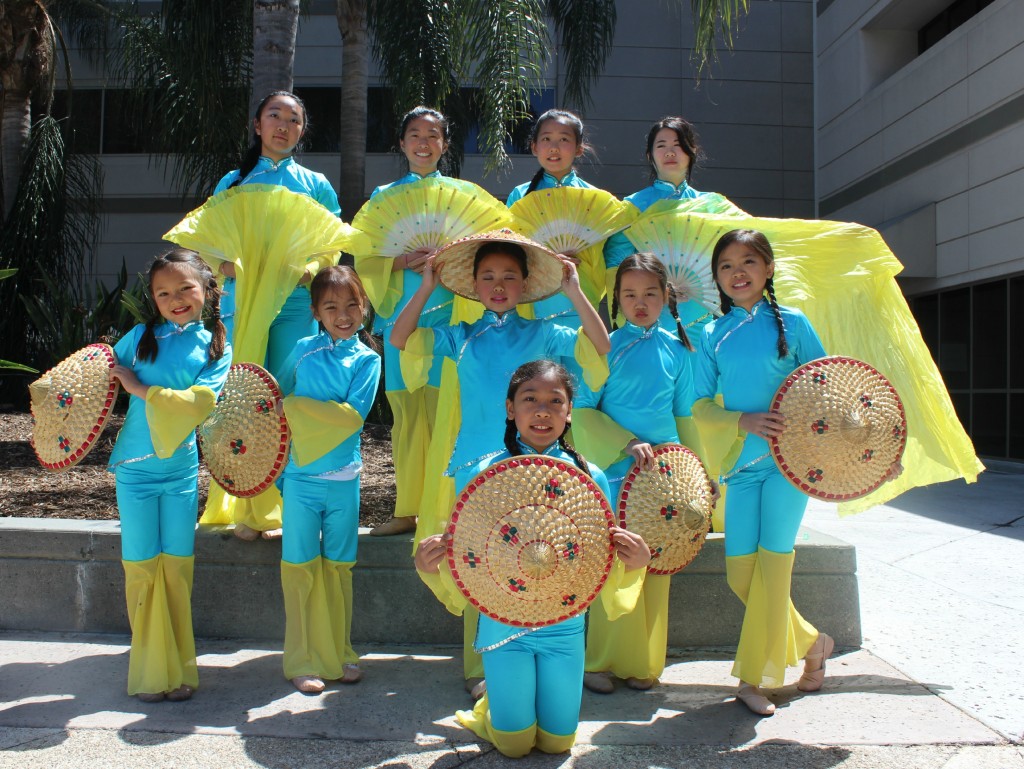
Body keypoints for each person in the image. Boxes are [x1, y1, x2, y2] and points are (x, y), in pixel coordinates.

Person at [691, 229, 900, 716]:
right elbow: (700, 404)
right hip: (740, 465)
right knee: (740, 573)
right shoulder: (709, 334)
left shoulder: (796, 323)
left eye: (748, 261)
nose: (736, 272)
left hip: (791, 464)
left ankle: (753, 679)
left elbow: (832, 389)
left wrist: (874, 447)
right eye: (725, 265)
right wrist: (740, 420)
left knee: (773, 567)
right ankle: (814, 644)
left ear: (768, 269)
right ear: (717, 277)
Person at [391, 233, 611, 695]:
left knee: (534, 558)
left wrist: (574, 290)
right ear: (472, 283)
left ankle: (539, 657)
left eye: (510, 276)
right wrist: (428, 284)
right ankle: (483, 670)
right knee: (479, 562)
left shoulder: (544, 331)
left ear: (526, 284)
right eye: (488, 276)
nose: (498, 284)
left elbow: (600, 343)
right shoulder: (462, 336)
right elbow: (399, 337)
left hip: (533, 465)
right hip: (476, 466)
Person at [414, 360, 650, 758]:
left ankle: (509, 697)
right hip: (504, 629)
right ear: (510, 408)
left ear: (569, 411)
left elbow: (598, 563)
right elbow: (469, 557)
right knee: (515, 745)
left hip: (565, 629)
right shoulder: (482, 474)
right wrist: (429, 565)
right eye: (530, 399)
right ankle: (491, 705)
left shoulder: (590, 477)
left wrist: (635, 561)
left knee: (559, 743)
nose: (542, 411)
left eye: (555, 401)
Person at [208, 90, 343, 541]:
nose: (283, 126)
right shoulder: (233, 181)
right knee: (241, 396)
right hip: (241, 302)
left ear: (302, 130)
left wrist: (307, 270)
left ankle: (279, 505)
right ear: (257, 124)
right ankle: (246, 505)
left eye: (293, 120)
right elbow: (208, 243)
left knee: (281, 400)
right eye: (275, 116)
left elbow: (332, 245)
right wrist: (233, 269)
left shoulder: (315, 183)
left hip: (293, 306)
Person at [572, 253, 701, 694]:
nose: (640, 302)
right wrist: (625, 442)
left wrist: (700, 477)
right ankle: (599, 662)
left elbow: (686, 416)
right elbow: (582, 412)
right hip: (614, 473)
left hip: (665, 478)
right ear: (617, 300)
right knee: (616, 563)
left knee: (658, 567)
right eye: (629, 294)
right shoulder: (603, 346)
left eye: (650, 293)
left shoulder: (679, 350)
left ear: (666, 296)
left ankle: (643, 663)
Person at [108, 248, 231, 702]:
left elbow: (202, 402)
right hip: (135, 470)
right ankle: (148, 671)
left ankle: (178, 670)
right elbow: (98, 378)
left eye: (185, 288)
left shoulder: (217, 344)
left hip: (180, 471)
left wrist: (139, 389)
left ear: (206, 290)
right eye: (163, 293)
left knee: (178, 569)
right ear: (153, 299)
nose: (175, 298)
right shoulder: (139, 336)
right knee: (141, 567)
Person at [353, 107, 459, 537]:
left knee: (447, 412)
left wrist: (449, 258)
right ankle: (407, 509)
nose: (423, 142)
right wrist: (402, 259)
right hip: (402, 320)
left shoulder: (460, 196)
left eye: (432, 135)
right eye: (414, 134)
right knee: (407, 415)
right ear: (401, 144)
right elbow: (364, 255)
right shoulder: (383, 197)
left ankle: (448, 511)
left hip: (450, 317)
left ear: (444, 145)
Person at [275, 266, 381, 694]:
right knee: (299, 569)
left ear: (365, 307)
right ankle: (302, 659)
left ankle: (340, 652)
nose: (343, 314)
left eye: (352, 305)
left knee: (339, 569)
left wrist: (297, 407)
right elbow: (275, 400)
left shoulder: (368, 359)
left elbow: (353, 417)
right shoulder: (301, 349)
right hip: (299, 478)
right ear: (316, 311)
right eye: (331, 306)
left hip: (344, 480)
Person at [505, 109, 605, 332]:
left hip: (582, 297)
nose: (554, 147)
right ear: (534, 146)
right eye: (546, 139)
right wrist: (544, 256)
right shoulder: (519, 196)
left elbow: (606, 255)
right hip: (533, 301)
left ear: (579, 149)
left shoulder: (595, 198)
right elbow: (508, 248)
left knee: (579, 362)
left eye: (564, 139)